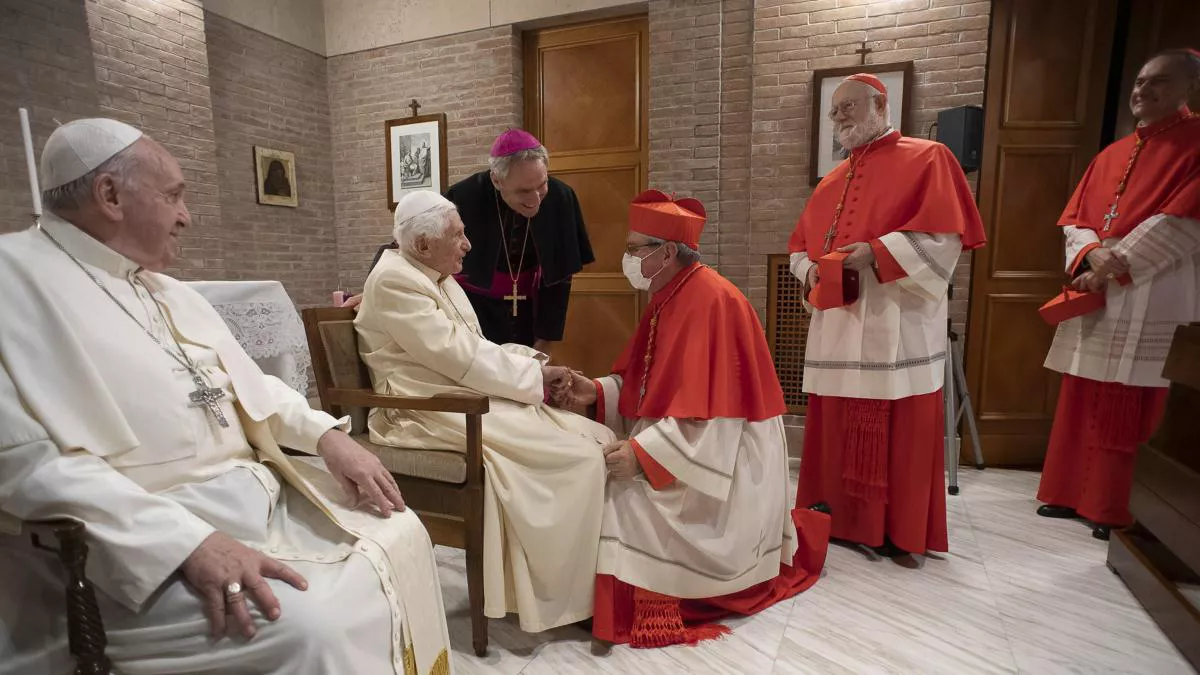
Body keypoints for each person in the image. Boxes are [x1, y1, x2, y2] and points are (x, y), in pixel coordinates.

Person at [0, 119, 450, 675]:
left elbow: (250, 387)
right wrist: (185, 542)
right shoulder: (12, 283)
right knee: (314, 627)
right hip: (130, 550)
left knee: (404, 532)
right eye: (173, 196)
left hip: (253, 505)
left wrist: (328, 437)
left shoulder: (165, 289)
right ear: (109, 195)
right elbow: (26, 467)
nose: (185, 215)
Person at [563, 190, 831, 648]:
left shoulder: (711, 302)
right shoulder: (670, 293)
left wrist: (643, 455)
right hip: (689, 442)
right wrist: (596, 390)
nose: (626, 257)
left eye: (634, 249)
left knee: (622, 503)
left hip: (725, 462)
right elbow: (650, 382)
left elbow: (718, 419)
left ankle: (644, 599)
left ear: (666, 252)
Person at [354, 190, 614, 633]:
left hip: (458, 396)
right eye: (458, 235)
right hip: (422, 409)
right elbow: (457, 357)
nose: (468, 244)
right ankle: (559, 596)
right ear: (422, 245)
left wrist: (539, 366)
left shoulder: (435, 275)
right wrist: (534, 381)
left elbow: (476, 348)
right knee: (578, 458)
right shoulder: (396, 281)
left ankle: (589, 583)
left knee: (597, 438)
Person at [788, 73, 987, 561]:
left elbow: (945, 240)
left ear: (880, 104)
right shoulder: (832, 181)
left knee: (902, 426)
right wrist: (811, 269)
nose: (838, 118)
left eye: (848, 108)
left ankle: (897, 530)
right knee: (835, 422)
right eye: (834, 111)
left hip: (898, 319)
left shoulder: (929, 158)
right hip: (838, 322)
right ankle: (835, 518)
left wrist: (876, 253)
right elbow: (797, 247)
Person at [1037, 49, 1200, 541]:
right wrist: (1090, 255)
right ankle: (1070, 493)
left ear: (1188, 88)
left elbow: (1181, 222)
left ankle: (1118, 506)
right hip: (1100, 278)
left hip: (1156, 283)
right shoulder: (1111, 153)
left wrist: (1114, 264)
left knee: (1135, 396)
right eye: (1140, 81)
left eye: (1159, 83)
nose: (1142, 91)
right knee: (1085, 389)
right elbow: (1075, 218)